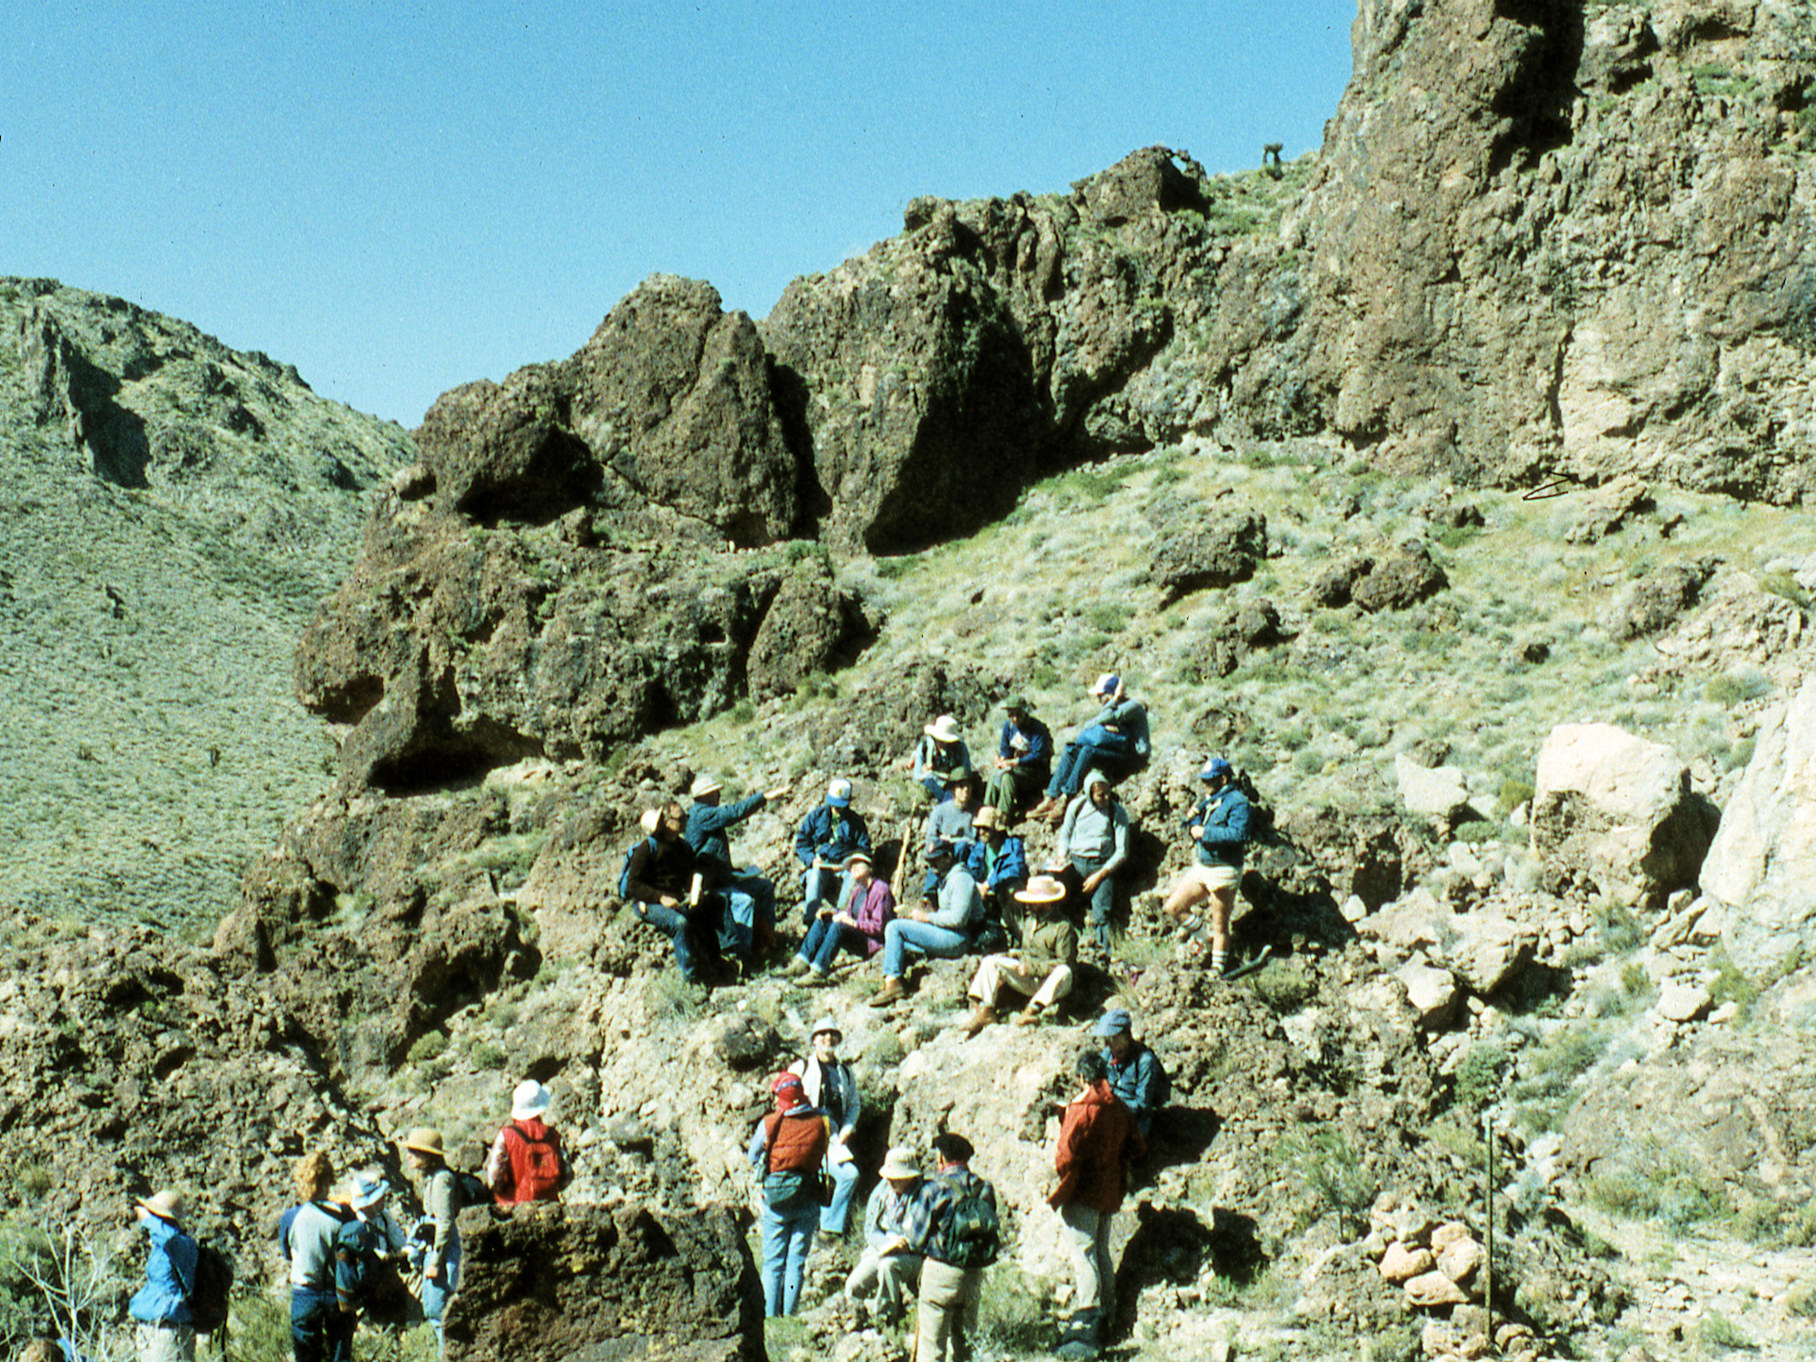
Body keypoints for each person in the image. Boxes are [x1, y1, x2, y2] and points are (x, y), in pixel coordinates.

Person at [1049, 1050, 1144, 1350]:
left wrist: (1068, 1175)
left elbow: (1064, 1156)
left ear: (1081, 1077)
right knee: (1101, 1252)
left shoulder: (1081, 1108)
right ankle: (1108, 1314)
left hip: (1083, 1190)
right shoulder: (1120, 1107)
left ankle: (1088, 1318)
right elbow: (1137, 1147)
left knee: (1083, 1254)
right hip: (1110, 1189)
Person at [901, 1133, 997, 1362]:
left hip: (940, 1274)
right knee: (965, 1345)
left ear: (942, 1158)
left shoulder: (934, 1189)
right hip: (973, 1274)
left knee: (931, 1348)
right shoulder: (984, 1188)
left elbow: (914, 1238)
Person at [748, 1072, 830, 1317]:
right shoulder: (822, 1120)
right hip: (808, 1196)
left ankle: (771, 1315)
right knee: (796, 1261)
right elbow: (830, 1136)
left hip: (776, 1200)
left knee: (773, 1263)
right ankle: (791, 1311)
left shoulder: (769, 1123)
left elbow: (753, 1157)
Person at [685, 773, 790, 964]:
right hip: (711, 884)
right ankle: (743, 956)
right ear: (706, 795)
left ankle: (764, 943)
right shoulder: (702, 815)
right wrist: (763, 798)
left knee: (764, 888)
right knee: (743, 901)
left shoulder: (704, 813)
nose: (719, 796)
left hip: (723, 878)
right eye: (715, 792)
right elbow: (733, 813)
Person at [1162, 757, 1253, 975]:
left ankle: (1218, 969)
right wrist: (1193, 821)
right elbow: (1192, 826)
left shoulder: (1238, 802)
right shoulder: (1210, 800)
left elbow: (1239, 834)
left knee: (1220, 925)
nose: (1205, 785)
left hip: (1224, 869)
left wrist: (1205, 832)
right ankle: (1207, 939)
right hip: (1203, 866)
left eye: (1210, 781)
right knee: (1173, 908)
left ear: (1223, 779)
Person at [956, 873, 1076, 1037]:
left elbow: (1065, 962)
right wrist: (1015, 955)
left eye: (1033, 903)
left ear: (1046, 903)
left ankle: (1032, 1011)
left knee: (1064, 972)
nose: (1028, 906)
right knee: (991, 961)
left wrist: (1032, 968)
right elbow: (1028, 951)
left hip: (1051, 983)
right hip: (1028, 978)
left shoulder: (1063, 927)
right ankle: (985, 1010)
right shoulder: (1030, 921)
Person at [869, 840, 983, 1008]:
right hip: (950, 933)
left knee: (894, 927)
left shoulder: (961, 879)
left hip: (959, 938)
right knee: (898, 940)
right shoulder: (947, 878)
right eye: (930, 861)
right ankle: (894, 978)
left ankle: (894, 983)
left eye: (935, 860)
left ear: (948, 857)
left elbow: (959, 919)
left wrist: (927, 918)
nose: (932, 865)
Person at [624, 803, 725, 984]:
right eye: (680, 819)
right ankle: (691, 980)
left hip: (674, 898)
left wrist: (696, 889)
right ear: (667, 822)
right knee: (680, 924)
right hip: (649, 902)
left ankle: (718, 963)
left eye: (685, 816)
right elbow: (633, 884)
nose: (685, 821)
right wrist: (660, 898)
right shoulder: (647, 848)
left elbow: (688, 874)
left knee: (712, 907)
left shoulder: (682, 847)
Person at [1029, 676, 1150, 820]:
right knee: (1072, 750)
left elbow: (1106, 718)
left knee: (1088, 752)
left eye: (1101, 696)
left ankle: (1065, 799)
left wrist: (1114, 699)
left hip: (1133, 760)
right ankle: (1050, 798)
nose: (1099, 700)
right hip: (1119, 752)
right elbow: (1091, 724)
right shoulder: (1112, 707)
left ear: (1111, 694)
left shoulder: (1132, 706)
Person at [788, 1017, 862, 1237]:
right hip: (805, 1137)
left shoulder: (845, 1073)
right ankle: (822, 1227)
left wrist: (848, 1128)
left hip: (833, 1139)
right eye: (822, 1034)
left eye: (832, 1034)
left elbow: (854, 1104)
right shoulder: (801, 1067)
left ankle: (828, 1229)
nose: (827, 1038)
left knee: (849, 1175)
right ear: (814, 1040)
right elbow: (785, 1097)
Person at [284, 1160, 356, 1362]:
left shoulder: (291, 1216)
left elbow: (288, 1253)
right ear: (328, 1181)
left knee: (306, 1357)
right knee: (340, 1356)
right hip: (338, 1294)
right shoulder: (344, 1214)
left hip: (305, 1295)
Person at [843, 1147, 925, 1325]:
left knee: (888, 1266)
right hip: (883, 1248)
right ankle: (857, 1322)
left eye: (897, 1178)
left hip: (910, 1255)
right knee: (853, 1286)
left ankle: (886, 1319)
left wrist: (905, 1243)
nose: (891, 1182)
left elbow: (921, 1237)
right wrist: (888, 1242)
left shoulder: (923, 1195)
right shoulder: (881, 1192)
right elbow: (870, 1231)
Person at [788, 849, 895, 983]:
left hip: (871, 942)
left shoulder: (880, 890)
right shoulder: (857, 890)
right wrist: (830, 913)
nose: (853, 868)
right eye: (851, 866)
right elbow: (848, 914)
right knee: (823, 920)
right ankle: (801, 961)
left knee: (839, 927)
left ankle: (818, 970)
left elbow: (879, 927)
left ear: (869, 867)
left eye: (858, 863)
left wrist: (853, 923)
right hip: (858, 934)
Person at [1054, 772, 1130, 955]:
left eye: (1107, 793)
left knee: (1102, 914)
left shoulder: (1117, 812)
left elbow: (1122, 851)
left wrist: (1100, 875)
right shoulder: (1077, 807)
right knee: (1062, 903)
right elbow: (1065, 834)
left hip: (1102, 866)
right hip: (1076, 863)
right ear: (1090, 794)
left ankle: (1106, 954)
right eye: (1099, 794)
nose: (1104, 798)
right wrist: (1061, 854)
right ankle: (1064, 950)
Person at [401, 1129, 461, 1360]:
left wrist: (435, 1261)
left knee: (438, 1309)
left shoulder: (441, 1179)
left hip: (442, 1250)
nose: (409, 1156)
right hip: (437, 1246)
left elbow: (445, 1223)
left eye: (414, 1152)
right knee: (434, 1307)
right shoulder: (433, 1178)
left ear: (428, 1155)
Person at [334, 1175, 411, 1330]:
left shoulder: (383, 1216)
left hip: (384, 1281)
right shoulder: (355, 1228)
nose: (384, 1198)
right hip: (365, 1287)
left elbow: (399, 1241)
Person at [129, 1190, 197, 1362]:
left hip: (169, 1334)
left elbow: (167, 1237)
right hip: (154, 1332)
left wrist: (147, 1219)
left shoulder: (180, 1243)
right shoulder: (165, 1247)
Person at [795, 778, 873, 925]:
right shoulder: (816, 817)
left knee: (853, 876)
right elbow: (802, 843)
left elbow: (864, 850)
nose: (836, 810)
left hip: (845, 868)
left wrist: (851, 863)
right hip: (823, 866)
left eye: (840, 806)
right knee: (814, 873)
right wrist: (812, 859)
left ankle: (840, 918)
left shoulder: (856, 822)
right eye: (834, 805)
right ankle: (810, 920)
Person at [485, 1079, 571, 1205]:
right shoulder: (555, 1136)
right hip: (549, 1207)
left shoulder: (506, 1136)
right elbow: (567, 1177)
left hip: (514, 1207)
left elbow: (493, 1179)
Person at [960, 805, 1028, 946]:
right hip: (987, 897)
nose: (981, 832)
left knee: (1012, 889)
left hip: (1005, 894)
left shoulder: (1014, 845)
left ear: (996, 829)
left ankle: (1020, 935)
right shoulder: (979, 847)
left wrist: (989, 884)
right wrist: (977, 885)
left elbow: (1015, 869)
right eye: (979, 828)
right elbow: (971, 868)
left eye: (986, 828)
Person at [1096, 1011, 1168, 1139]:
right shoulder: (1107, 1054)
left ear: (1126, 1035)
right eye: (1106, 1039)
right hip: (1112, 1110)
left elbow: (1141, 1106)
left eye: (1112, 1039)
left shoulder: (1144, 1062)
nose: (1108, 1044)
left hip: (1136, 1118)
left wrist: (1112, 1100)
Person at [985, 696, 1053, 821]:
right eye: (1011, 715)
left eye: (1018, 714)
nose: (1015, 718)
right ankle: (987, 813)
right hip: (1017, 768)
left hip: (1035, 772)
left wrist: (1015, 762)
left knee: (1007, 777)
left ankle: (1002, 817)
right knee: (994, 773)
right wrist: (1002, 760)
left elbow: (1038, 756)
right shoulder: (1009, 727)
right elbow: (1005, 749)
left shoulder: (1037, 729)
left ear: (1025, 712)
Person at [910, 714, 974, 803]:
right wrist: (930, 774)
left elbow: (966, 772)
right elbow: (917, 776)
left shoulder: (960, 748)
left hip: (953, 784)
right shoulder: (924, 748)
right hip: (932, 783)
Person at [923, 773, 981, 849]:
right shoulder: (940, 811)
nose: (965, 790)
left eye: (968, 786)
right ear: (953, 789)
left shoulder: (978, 809)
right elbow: (931, 839)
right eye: (961, 786)